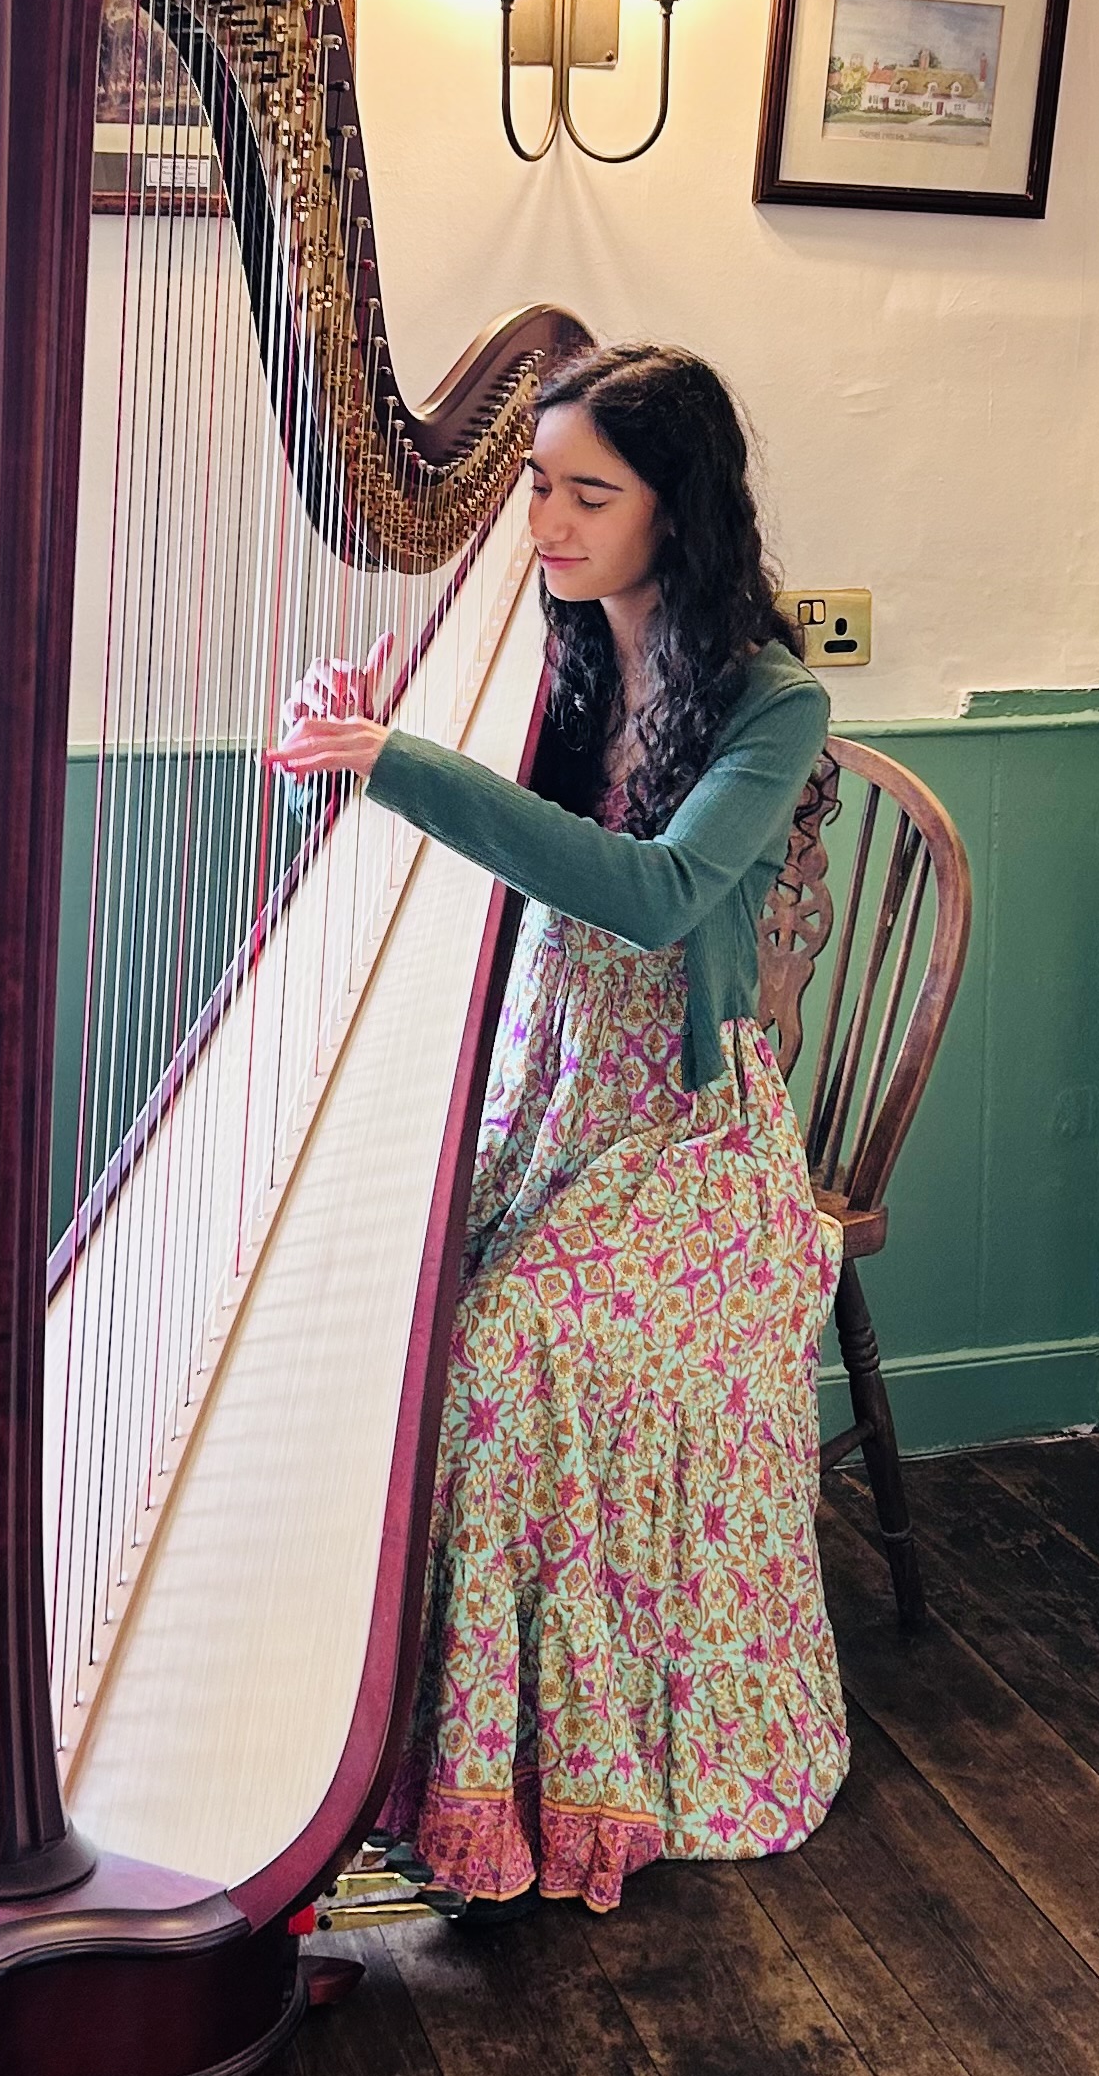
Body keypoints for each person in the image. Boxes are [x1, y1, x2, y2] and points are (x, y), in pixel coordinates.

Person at [268, 341, 849, 1916]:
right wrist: (373, 732)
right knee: (394, 1306)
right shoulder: (556, 653)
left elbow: (651, 897)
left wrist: (404, 763)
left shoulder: (772, 703)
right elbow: (468, 838)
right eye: (535, 483)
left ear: (685, 508)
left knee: (511, 1344)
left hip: (688, 1138)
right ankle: (370, 1734)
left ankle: (552, 1772)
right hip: (542, 1093)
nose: (548, 520)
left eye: (592, 491)